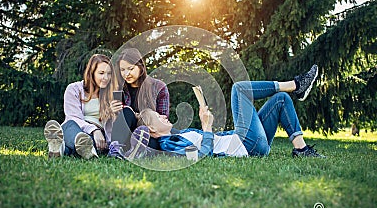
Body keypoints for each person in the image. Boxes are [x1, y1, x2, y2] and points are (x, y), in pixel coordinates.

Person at [135, 64, 326, 158]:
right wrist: (207, 127)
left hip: (245, 142)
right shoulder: (169, 144)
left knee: (281, 99)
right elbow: (199, 156)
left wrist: (207, 125)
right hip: (245, 145)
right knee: (239, 89)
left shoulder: (180, 133)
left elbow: (215, 142)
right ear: (151, 129)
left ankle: (301, 149)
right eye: (157, 116)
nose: (163, 114)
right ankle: (296, 84)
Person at [43, 54, 125, 159]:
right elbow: (73, 117)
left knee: (83, 139)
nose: (106, 78)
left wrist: (114, 113)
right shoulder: (74, 89)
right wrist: (94, 130)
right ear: (91, 73)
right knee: (69, 125)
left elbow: (115, 127)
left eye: (109, 74)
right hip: (78, 128)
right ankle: (81, 149)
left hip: (100, 137)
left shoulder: (111, 93)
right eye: (101, 73)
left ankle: (61, 148)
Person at [113, 48, 170, 150]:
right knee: (126, 112)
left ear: (141, 67)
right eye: (122, 70)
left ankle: (133, 148)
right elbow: (120, 123)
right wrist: (114, 112)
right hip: (127, 132)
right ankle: (117, 149)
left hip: (150, 133)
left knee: (151, 143)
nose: (126, 73)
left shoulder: (158, 87)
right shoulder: (119, 89)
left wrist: (147, 128)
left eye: (130, 69)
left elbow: (162, 119)